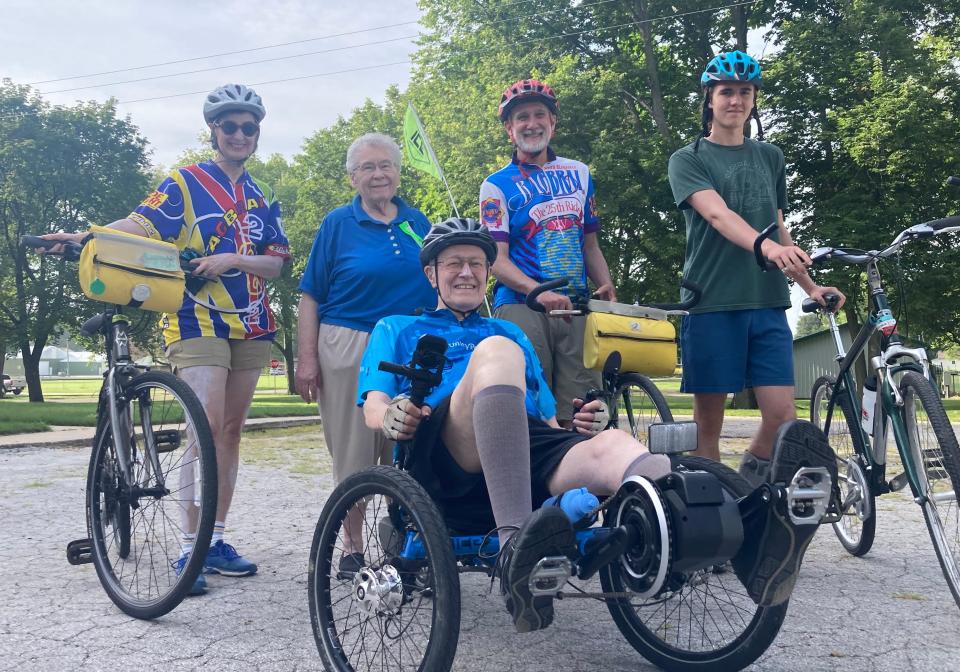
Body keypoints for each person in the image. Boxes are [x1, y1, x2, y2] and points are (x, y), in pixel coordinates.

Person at [357, 217, 836, 633]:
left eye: (476, 264)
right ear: (431, 274)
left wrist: (583, 424)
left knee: (612, 443)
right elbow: (374, 405)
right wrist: (393, 415)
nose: (466, 272)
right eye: (453, 263)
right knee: (496, 350)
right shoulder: (398, 328)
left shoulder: (509, 330)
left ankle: (750, 537)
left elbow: (545, 421)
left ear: (486, 273)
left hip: (519, 445)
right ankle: (513, 549)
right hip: (443, 453)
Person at [44, 83, 289, 594]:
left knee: (230, 432)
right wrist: (84, 236)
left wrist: (233, 260)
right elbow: (139, 223)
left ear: (256, 133)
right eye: (230, 126)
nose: (239, 134)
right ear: (214, 131)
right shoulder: (185, 182)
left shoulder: (264, 196)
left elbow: (276, 263)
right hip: (195, 317)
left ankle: (216, 539)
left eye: (249, 127)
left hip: (253, 320)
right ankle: (188, 548)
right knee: (205, 427)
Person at [667, 51, 845, 486]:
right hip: (710, 300)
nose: (735, 100)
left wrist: (809, 285)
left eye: (744, 92)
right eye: (726, 91)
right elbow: (718, 215)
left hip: (766, 302)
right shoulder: (687, 158)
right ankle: (710, 513)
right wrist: (767, 248)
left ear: (753, 100)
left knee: (783, 417)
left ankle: (746, 487)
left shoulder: (771, 156)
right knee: (707, 426)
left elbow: (779, 228)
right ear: (709, 98)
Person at [294, 133, 435, 561]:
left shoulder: (418, 222)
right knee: (356, 452)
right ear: (353, 177)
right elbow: (310, 295)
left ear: (398, 171)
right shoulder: (338, 223)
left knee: (411, 449)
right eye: (368, 168)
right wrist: (306, 358)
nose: (379, 174)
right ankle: (352, 547)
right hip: (349, 343)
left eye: (386, 165)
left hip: (411, 345)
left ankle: (407, 549)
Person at [479, 79, 616, 426]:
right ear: (510, 130)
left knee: (582, 411)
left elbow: (590, 245)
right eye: (521, 117)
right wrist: (539, 293)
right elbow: (496, 259)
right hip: (522, 302)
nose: (531, 123)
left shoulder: (580, 173)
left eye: (540, 114)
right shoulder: (495, 185)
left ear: (553, 123)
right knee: (531, 407)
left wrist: (606, 283)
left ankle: (582, 478)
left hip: (576, 305)